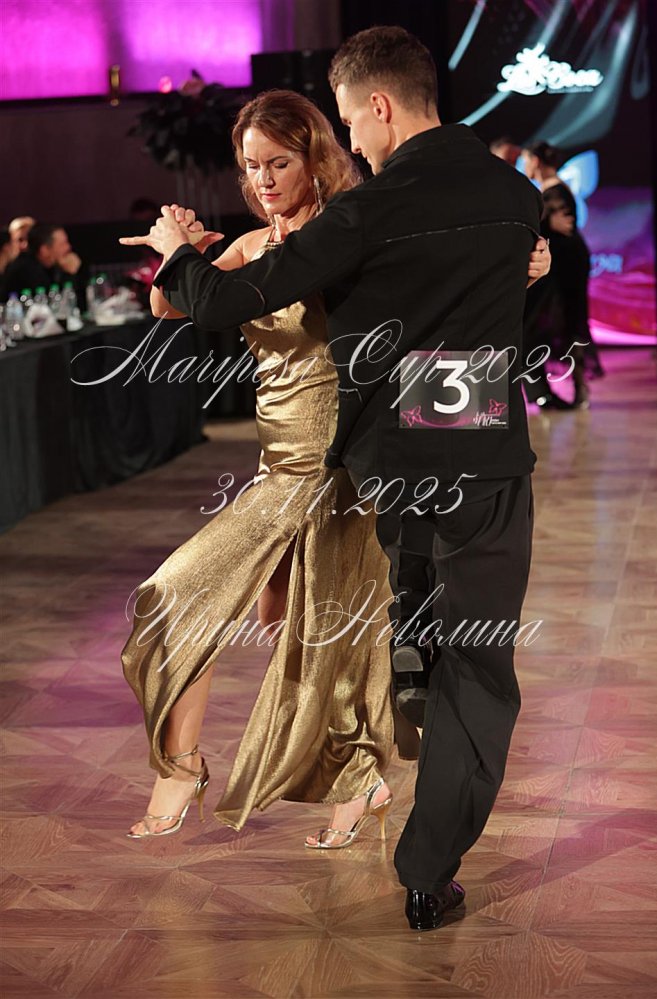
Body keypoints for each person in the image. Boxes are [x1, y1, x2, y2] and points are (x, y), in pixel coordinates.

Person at [122, 26, 551, 932]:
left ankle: (404, 682)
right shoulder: (514, 192)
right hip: (482, 451)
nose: (352, 137)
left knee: (412, 615)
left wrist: (176, 248)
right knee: (477, 665)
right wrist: (534, 274)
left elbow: (226, 302)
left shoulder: (374, 208)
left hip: (397, 465)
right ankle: (426, 871)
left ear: (380, 106)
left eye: (352, 120)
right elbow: (515, 315)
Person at [120, 89, 422, 851]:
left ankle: (353, 776)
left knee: (320, 631)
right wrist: (185, 250)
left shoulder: (340, 235)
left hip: (334, 468)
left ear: (315, 157)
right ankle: (188, 763)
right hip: (276, 466)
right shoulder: (255, 244)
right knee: (208, 605)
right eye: (251, 166)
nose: (263, 180)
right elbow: (169, 309)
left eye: (278, 163)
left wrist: (526, 267)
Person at [522, 140, 602, 407]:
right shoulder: (552, 190)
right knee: (565, 323)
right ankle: (570, 389)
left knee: (563, 322)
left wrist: (544, 222)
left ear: (535, 161)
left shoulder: (554, 192)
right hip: (565, 264)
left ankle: (575, 388)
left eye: (526, 160)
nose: (524, 166)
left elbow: (560, 226)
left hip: (565, 267)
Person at [0, 223, 83, 303]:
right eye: (62, 244)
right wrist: (69, 275)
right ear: (44, 250)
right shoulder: (26, 270)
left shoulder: (53, 267)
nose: (68, 247)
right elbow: (55, 306)